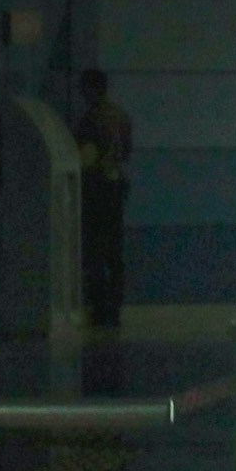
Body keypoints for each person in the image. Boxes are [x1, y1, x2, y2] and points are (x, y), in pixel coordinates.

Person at [72, 67, 135, 334]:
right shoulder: (121, 116)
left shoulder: (90, 120)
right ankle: (115, 307)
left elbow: (86, 158)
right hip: (117, 185)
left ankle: (99, 308)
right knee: (114, 249)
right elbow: (127, 152)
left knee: (94, 249)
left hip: (96, 187)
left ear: (91, 89)